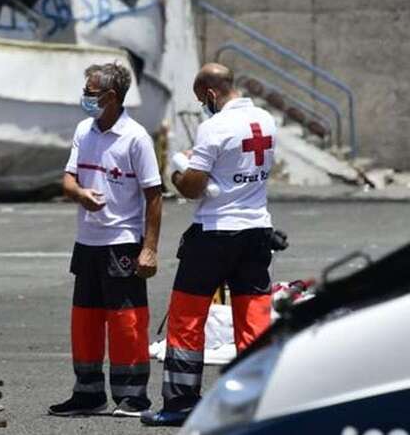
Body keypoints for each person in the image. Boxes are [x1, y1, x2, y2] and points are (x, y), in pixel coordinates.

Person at [142, 63, 277, 426]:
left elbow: (192, 187)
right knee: (253, 319)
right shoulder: (266, 120)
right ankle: (256, 404)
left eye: (203, 99)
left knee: (187, 317)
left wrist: (175, 170)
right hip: (257, 230)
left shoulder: (214, 127)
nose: (204, 105)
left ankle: (181, 403)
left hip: (215, 233)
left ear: (212, 94)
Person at [49, 62, 163, 418]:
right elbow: (67, 180)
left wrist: (149, 248)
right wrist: (80, 194)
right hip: (87, 242)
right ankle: (88, 393)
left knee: (126, 321)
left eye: (90, 92)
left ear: (111, 97)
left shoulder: (136, 138)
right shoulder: (85, 130)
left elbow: (155, 196)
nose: (85, 97)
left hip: (122, 242)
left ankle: (133, 396)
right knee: (85, 319)